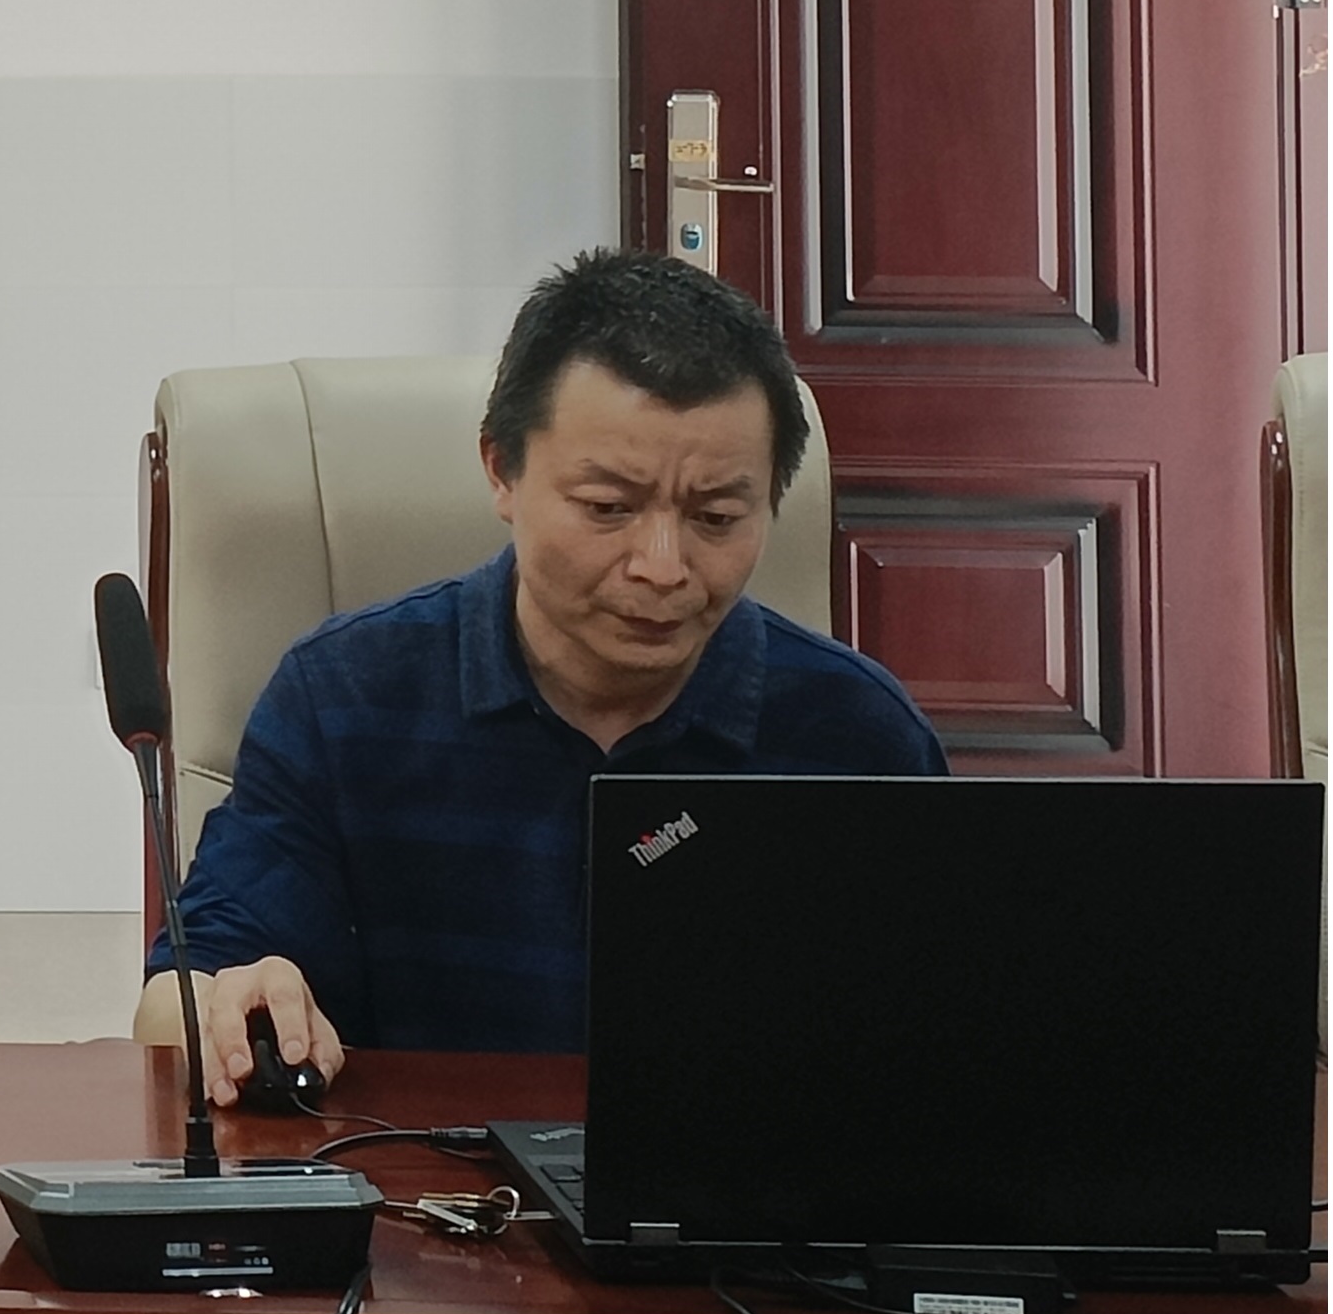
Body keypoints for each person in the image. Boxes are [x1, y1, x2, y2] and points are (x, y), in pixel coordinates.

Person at [139, 248, 941, 1098]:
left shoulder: (858, 735)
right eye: (608, 509)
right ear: (502, 470)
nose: (663, 567)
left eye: (715, 517)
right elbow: (173, 1002)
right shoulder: (343, 698)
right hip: (419, 1171)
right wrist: (225, 1005)